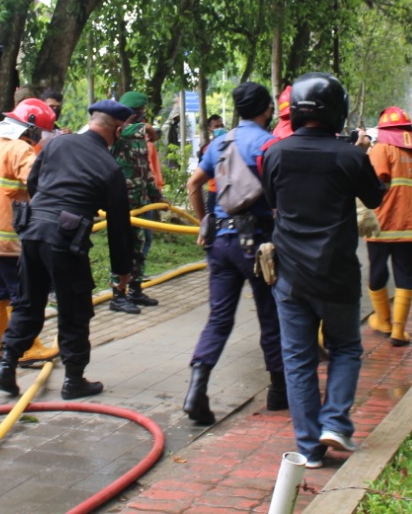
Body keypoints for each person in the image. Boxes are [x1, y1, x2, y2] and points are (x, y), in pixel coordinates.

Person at [261, 73, 386, 469]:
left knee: (297, 359)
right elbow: (376, 198)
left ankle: (310, 449)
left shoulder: (275, 153)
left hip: (290, 275)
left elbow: (272, 200)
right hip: (337, 272)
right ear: (337, 111)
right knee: (345, 347)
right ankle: (334, 421)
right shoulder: (350, 156)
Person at [0, 100, 137, 400]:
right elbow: (119, 226)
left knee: (29, 301)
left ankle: (6, 367)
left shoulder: (57, 145)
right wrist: (123, 271)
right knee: (74, 308)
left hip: (32, 231)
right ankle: (74, 380)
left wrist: (46, 208)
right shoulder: (110, 168)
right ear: (119, 130)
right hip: (65, 240)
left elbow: (33, 182)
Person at [182, 82, 285, 426]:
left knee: (219, 318)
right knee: (270, 314)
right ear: (267, 109)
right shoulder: (268, 144)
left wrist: (203, 222)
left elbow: (193, 184)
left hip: (221, 242)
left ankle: (198, 386)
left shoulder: (219, 143)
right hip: (258, 244)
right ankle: (278, 390)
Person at [0, 98, 61, 366]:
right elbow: (40, 184)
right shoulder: (21, 149)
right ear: (30, 128)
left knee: (1, 291)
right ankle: (27, 347)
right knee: (23, 294)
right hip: (7, 237)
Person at [365, 106, 412, 347]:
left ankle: (383, 319)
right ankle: (399, 330)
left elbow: (371, 182)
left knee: (377, 271)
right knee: (405, 273)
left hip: (381, 224)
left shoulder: (381, 149)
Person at [107, 90, 163, 313]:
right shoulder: (118, 132)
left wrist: (156, 194)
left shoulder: (140, 139)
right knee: (123, 248)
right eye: (137, 113)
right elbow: (128, 131)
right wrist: (145, 127)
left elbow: (145, 169)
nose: (141, 117)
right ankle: (117, 295)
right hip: (122, 202)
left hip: (140, 201)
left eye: (142, 113)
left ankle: (135, 290)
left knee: (139, 247)